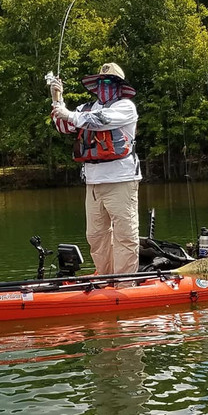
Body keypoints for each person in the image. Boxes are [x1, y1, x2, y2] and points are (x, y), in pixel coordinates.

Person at [50, 63, 142, 281]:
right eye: (101, 82)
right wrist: (56, 99)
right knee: (96, 236)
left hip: (121, 180)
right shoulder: (84, 108)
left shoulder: (126, 107)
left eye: (110, 82)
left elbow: (101, 121)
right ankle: (106, 277)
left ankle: (125, 282)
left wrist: (68, 114)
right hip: (93, 183)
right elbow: (63, 126)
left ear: (119, 87)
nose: (104, 86)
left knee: (125, 235)